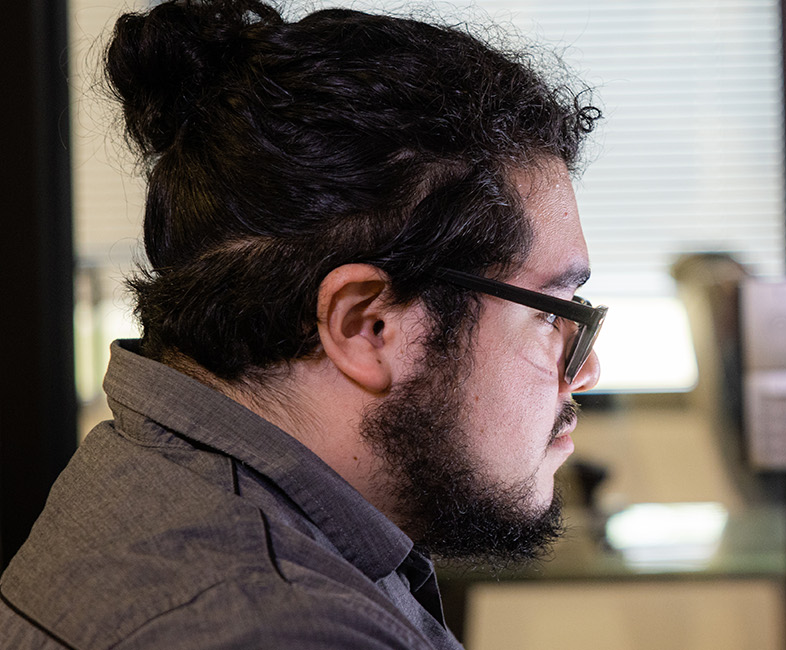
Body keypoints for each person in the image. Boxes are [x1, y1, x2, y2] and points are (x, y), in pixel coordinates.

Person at [0, 1, 602, 647]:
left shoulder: (155, 479)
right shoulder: (277, 623)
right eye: (548, 313)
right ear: (367, 325)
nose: (587, 373)